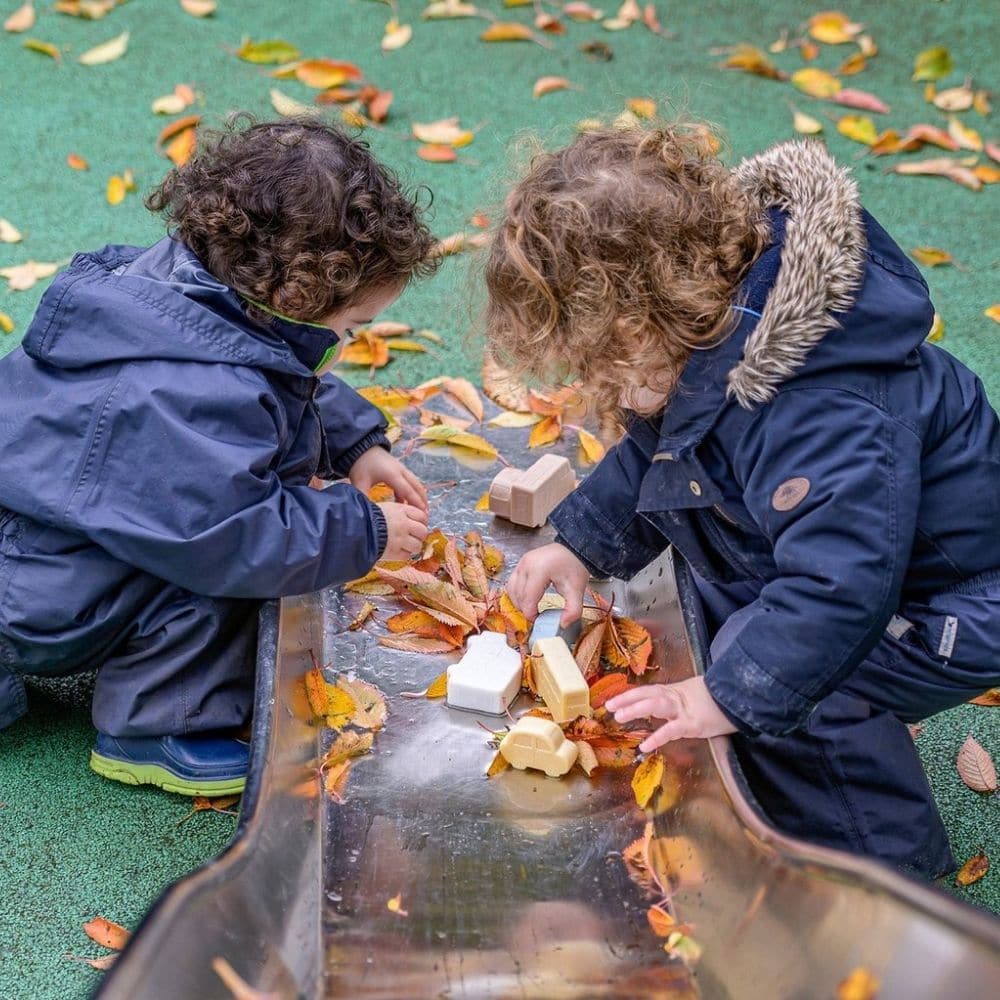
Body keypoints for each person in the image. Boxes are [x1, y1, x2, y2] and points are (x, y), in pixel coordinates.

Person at [491, 123, 1000, 878]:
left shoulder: (816, 401)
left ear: (641, 317)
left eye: (596, 354)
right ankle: (781, 763)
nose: (592, 375)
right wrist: (579, 543)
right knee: (740, 625)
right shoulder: (713, 332)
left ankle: (879, 877)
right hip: (868, 566)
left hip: (953, 600)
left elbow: (842, 593)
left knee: (801, 689)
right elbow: (656, 451)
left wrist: (728, 696)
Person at [0, 116, 432, 794]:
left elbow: (278, 373)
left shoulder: (188, 290)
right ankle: (156, 728)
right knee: (225, 577)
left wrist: (354, 442)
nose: (347, 343)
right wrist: (363, 530)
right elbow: (232, 535)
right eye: (349, 328)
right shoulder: (194, 394)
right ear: (294, 301)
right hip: (42, 593)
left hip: (38, 542)